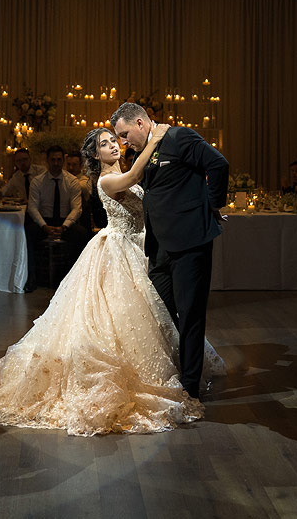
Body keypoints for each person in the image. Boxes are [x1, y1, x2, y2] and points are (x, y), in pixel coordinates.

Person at [0, 124, 223, 435]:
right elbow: (133, 179)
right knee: (114, 319)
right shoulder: (107, 179)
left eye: (114, 141)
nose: (114, 146)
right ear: (94, 153)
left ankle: (178, 371)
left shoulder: (123, 168)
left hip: (142, 248)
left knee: (153, 314)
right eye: (105, 144)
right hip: (116, 251)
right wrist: (154, 141)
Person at [112, 101, 229, 401]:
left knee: (190, 314)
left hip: (190, 242)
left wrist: (212, 204)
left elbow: (218, 164)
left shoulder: (179, 138)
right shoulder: (142, 152)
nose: (123, 142)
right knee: (160, 310)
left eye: (125, 134)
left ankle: (190, 387)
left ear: (140, 123)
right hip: (160, 246)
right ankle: (184, 365)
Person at [25, 146, 89, 291]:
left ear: (63, 161)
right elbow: (32, 208)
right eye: (53, 160)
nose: (56, 163)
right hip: (44, 221)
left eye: (59, 160)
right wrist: (44, 226)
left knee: (82, 234)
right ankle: (31, 278)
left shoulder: (71, 181)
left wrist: (64, 226)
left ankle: (75, 279)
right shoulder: (37, 181)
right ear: (47, 161)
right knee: (28, 233)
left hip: (64, 221)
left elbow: (76, 208)